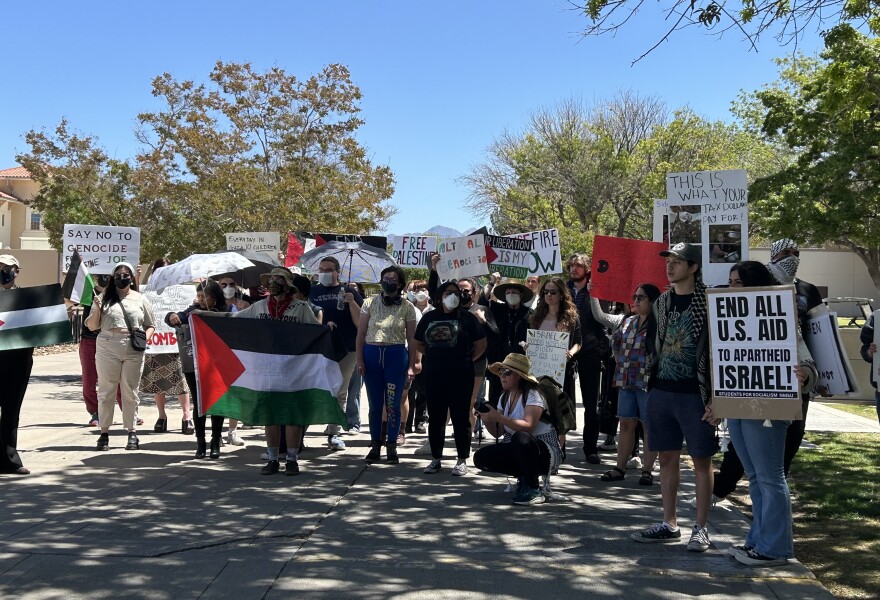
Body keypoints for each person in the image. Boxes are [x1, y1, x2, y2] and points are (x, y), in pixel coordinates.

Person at [707, 261, 817, 567]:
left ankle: (776, 548)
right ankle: (758, 540)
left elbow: (807, 361)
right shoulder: (728, 319)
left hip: (770, 407)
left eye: (737, 283)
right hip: (740, 406)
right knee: (755, 476)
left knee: (770, 477)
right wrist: (718, 404)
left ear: (754, 284)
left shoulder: (782, 316)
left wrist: (805, 374)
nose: (730, 289)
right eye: (729, 282)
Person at [631, 242, 715, 552]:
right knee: (666, 457)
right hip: (662, 390)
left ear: (693, 267)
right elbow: (654, 344)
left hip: (696, 393)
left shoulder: (709, 302)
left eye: (678, 261)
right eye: (669, 260)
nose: (670, 266)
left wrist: (716, 398)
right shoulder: (661, 303)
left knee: (701, 460)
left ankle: (701, 527)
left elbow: (719, 352)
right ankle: (670, 523)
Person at [233, 268, 319, 475]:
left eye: (277, 278)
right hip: (266, 368)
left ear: (287, 284)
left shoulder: (301, 308)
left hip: (293, 369)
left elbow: (316, 332)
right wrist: (202, 315)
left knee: (292, 417)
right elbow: (233, 320)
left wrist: (328, 329)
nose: (273, 282)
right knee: (270, 416)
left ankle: (292, 459)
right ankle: (273, 459)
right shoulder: (260, 306)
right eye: (270, 278)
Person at [589, 282, 661, 485]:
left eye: (641, 297)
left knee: (648, 426)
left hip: (648, 383)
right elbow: (609, 331)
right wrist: (594, 293)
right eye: (635, 297)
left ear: (653, 301)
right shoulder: (626, 321)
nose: (635, 301)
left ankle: (647, 470)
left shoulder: (660, 325)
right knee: (626, 423)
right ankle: (619, 467)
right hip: (626, 381)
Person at [413, 280, 487, 476]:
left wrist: (466, 359)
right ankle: (436, 458)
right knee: (436, 416)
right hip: (434, 373)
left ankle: (462, 458)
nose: (453, 295)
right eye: (448, 292)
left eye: (456, 292)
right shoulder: (429, 317)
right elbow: (418, 342)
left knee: (461, 416)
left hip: (461, 374)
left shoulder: (468, 318)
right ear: (440, 296)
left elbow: (481, 344)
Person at [473, 354, 563, 505]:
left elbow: (528, 426)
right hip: (521, 448)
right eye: (501, 371)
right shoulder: (504, 397)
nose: (502, 376)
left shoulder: (533, 394)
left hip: (546, 452)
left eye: (507, 372)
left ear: (519, 376)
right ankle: (523, 478)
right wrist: (488, 418)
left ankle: (533, 488)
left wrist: (499, 417)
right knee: (481, 458)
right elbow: (498, 432)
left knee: (521, 437)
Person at [86, 262, 156, 452]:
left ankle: (132, 432)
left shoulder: (140, 299)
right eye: (118, 274)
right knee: (107, 389)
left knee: (130, 390)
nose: (122, 277)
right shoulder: (103, 298)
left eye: (126, 274)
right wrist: (99, 308)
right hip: (107, 344)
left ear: (132, 277)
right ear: (112, 277)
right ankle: (104, 433)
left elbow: (151, 324)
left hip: (133, 346)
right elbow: (92, 326)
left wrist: (144, 340)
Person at [356, 266, 418, 464]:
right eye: (385, 278)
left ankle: (392, 446)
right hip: (372, 354)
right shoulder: (369, 302)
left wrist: (412, 364)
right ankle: (375, 445)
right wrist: (360, 360)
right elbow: (361, 333)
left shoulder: (407, 306)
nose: (388, 281)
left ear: (399, 284)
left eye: (392, 279)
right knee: (375, 405)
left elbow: (412, 337)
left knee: (393, 404)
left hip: (395, 355)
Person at [167, 281, 232, 458]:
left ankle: (215, 440)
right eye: (199, 296)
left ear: (215, 298)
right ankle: (201, 442)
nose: (201, 300)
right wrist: (173, 315)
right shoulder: (192, 312)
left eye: (205, 297)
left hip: (217, 365)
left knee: (217, 403)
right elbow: (174, 319)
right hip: (194, 364)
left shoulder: (226, 311)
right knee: (200, 403)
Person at [310, 256, 363, 451]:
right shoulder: (312, 292)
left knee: (340, 391)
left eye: (329, 269)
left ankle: (334, 432)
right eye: (322, 269)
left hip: (347, 348)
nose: (325, 273)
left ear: (337, 272)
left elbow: (360, 323)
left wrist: (351, 303)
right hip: (319, 349)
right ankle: (299, 431)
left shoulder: (349, 291)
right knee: (314, 389)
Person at [565, 253, 610, 465]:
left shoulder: (597, 290)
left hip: (590, 352)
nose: (574, 269)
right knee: (562, 400)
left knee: (592, 403)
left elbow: (604, 320)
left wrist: (601, 349)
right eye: (571, 265)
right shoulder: (563, 289)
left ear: (586, 269)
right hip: (564, 352)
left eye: (578, 265)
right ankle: (559, 445)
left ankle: (591, 448)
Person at [141, 258, 193, 436]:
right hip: (156, 345)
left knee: (181, 380)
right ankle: (161, 416)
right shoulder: (147, 292)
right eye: (159, 271)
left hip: (176, 344)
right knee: (157, 381)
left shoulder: (182, 290)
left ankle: (187, 416)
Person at [529, 277, 582, 449]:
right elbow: (530, 339)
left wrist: (571, 353)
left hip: (561, 372)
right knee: (540, 408)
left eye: (553, 292)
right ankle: (540, 447)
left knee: (559, 410)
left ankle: (559, 449)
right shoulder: (536, 317)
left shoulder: (571, 317)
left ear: (561, 294)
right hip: (538, 372)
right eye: (546, 292)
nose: (549, 295)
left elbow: (578, 342)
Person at [0, 255, 35, 475]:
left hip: (19, 360)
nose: (3, 271)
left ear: (17, 271)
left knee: (12, 410)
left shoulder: (29, 299)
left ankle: (9, 459)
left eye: (7, 268)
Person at [486, 280, 534, 408]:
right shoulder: (496, 309)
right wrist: (491, 283)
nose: (511, 294)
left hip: (520, 364)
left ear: (521, 295)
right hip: (498, 361)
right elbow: (482, 301)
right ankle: (496, 425)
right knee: (495, 399)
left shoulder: (529, 313)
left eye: (514, 292)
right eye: (508, 292)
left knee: (518, 399)